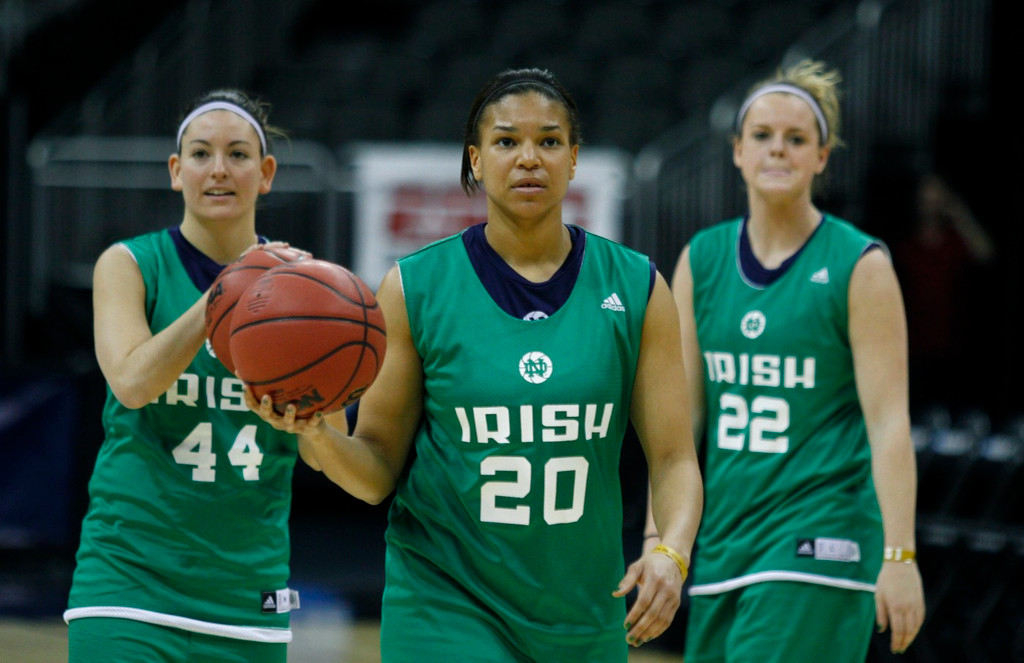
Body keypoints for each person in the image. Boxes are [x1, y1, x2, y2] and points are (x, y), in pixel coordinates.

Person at [248, 67, 704, 661]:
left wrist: (670, 553)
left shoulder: (637, 286)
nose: (529, 158)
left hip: (581, 611)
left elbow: (673, 458)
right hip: (446, 604)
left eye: (549, 141)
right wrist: (318, 435)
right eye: (507, 141)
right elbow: (376, 471)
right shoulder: (416, 287)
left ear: (573, 160)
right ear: (476, 160)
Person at [650, 60, 925, 661]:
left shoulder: (861, 266)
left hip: (819, 544)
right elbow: (679, 425)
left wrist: (900, 556)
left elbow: (889, 425)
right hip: (726, 543)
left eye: (796, 139)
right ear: (737, 152)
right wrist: (659, 539)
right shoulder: (703, 258)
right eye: (763, 136)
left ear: (822, 157)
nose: (779, 149)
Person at [65, 89, 313, 662]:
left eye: (238, 154)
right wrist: (227, 293)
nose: (219, 170)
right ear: (177, 172)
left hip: (247, 594)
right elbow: (132, 383)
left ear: (266, 171)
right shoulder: (129, 264)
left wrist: (315, 424)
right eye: (201, 154)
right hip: (129, 583)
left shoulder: (305, 289)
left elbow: (323, 449)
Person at [890, 172, 995, 412]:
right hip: (912, 347)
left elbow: (986, 255)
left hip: (954, 346)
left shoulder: (956, 240)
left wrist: (961, 215)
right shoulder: (904, 243)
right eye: (926, 194)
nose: (931, 200)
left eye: (937, 193)